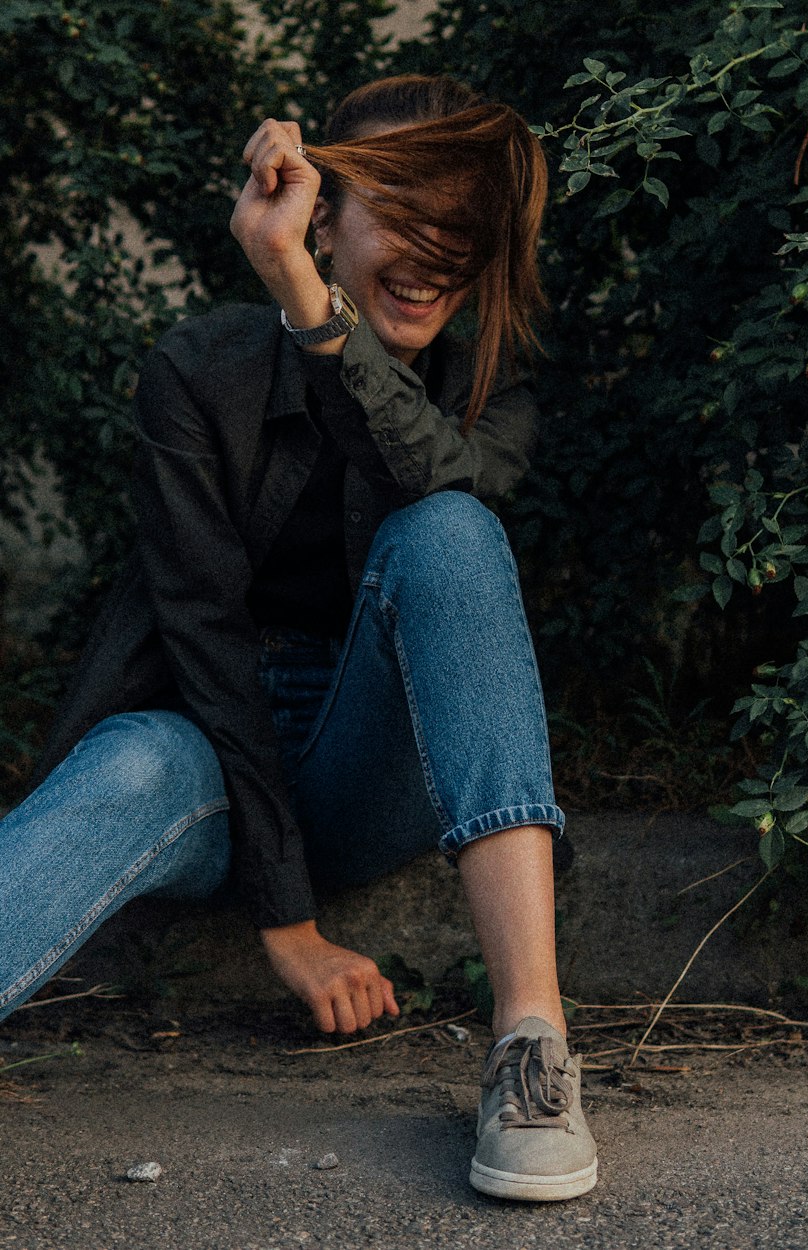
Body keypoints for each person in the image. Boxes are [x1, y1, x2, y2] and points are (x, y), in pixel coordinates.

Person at [0, 74, 596, 1201]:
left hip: (375, 764)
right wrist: (289, 920)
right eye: (405, 213)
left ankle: (531, 1048)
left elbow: (428, 479)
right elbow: (204, 640)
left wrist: (316, 312)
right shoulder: (199, 371)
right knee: (135, 756)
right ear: (321, 213)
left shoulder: (489, 382)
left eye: (460, 225)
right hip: (208, 759)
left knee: (453, 533)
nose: (435, 252)